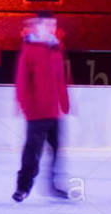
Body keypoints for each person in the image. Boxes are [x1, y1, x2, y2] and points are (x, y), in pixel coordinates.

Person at [13, 12, 70, 202]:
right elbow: (22, 80)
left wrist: (65, 102)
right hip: (36, 111)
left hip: (54, 111)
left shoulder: (55, 49)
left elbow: (60, 79)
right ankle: (23, 187)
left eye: (53, 25)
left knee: (56, 149)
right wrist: (24, 104)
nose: (51, 29)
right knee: (32, 151)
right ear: (38, 26)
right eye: (47, 25)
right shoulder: (29, 50)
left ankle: (52, 184)